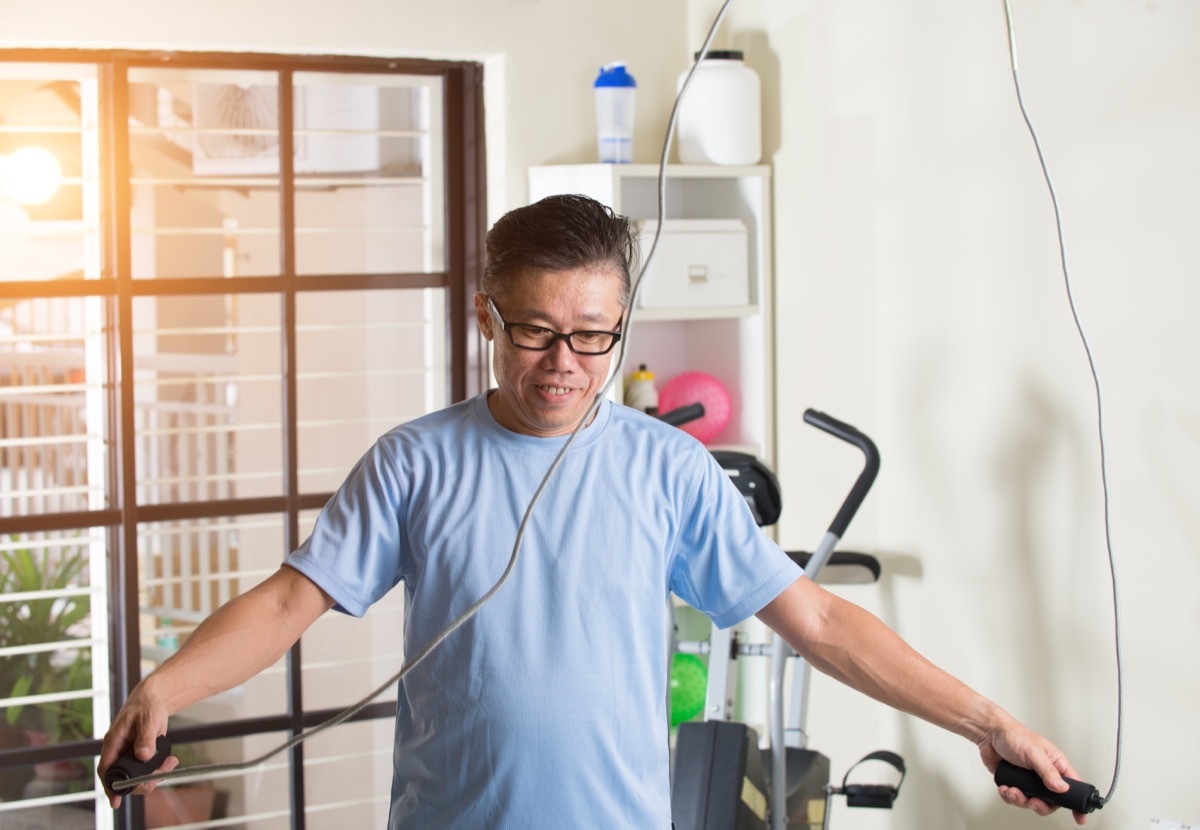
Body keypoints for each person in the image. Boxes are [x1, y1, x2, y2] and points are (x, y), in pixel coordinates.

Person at [100, 194, 1088, 827]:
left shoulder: (668, 468)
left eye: (592, 334)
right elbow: (286, 602)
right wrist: (166, 686)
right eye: (534, 329)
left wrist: (986, 721)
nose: (564, 361)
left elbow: (820, 621)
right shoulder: (415, 461)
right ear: (485, 313)